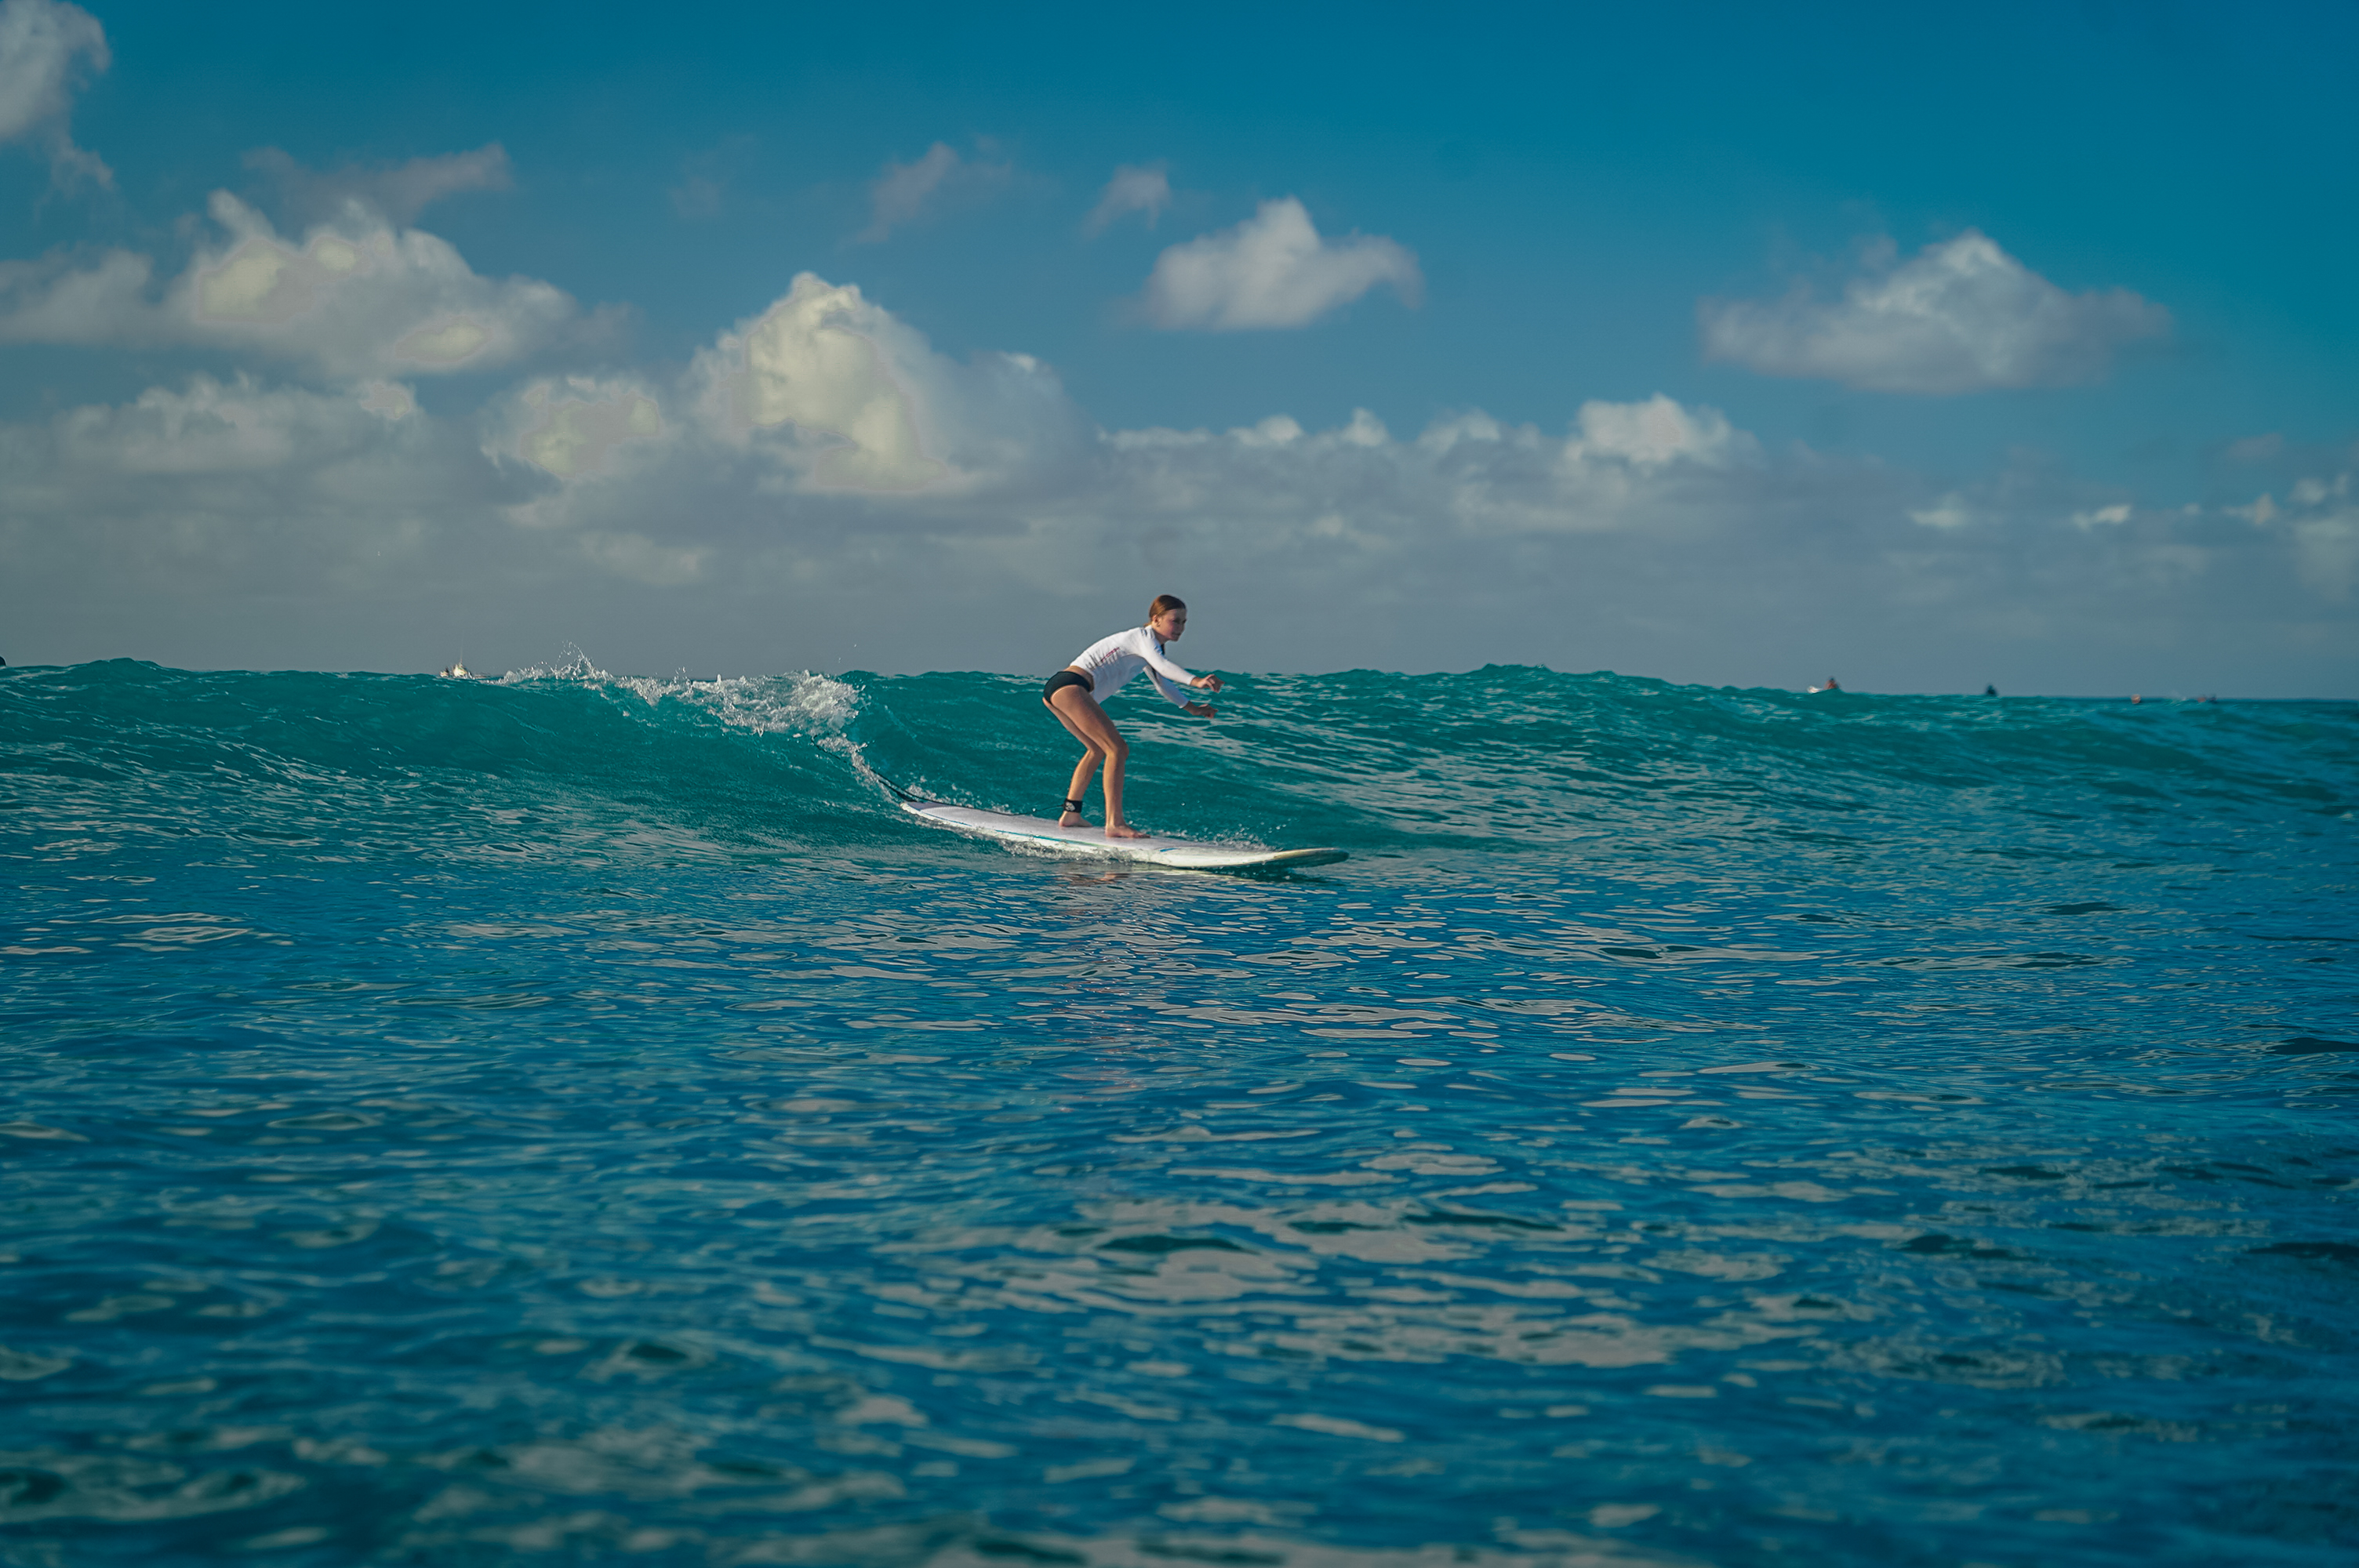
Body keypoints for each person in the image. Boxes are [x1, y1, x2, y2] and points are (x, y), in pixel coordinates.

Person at [1041, 594, 1222, 839]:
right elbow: (1164, 667)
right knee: (1118, 749)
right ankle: (1115, 823)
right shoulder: (1142, 638)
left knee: (1096, 749)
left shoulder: (1151, 645)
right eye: (1175, 621)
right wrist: (1197, 681)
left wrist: (1192, 708)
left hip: (1061, 688)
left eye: (1184, 622)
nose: (1180, 628)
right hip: (1072, 687)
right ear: (1156, 619)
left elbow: (1162, 682)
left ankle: (1071, 814)